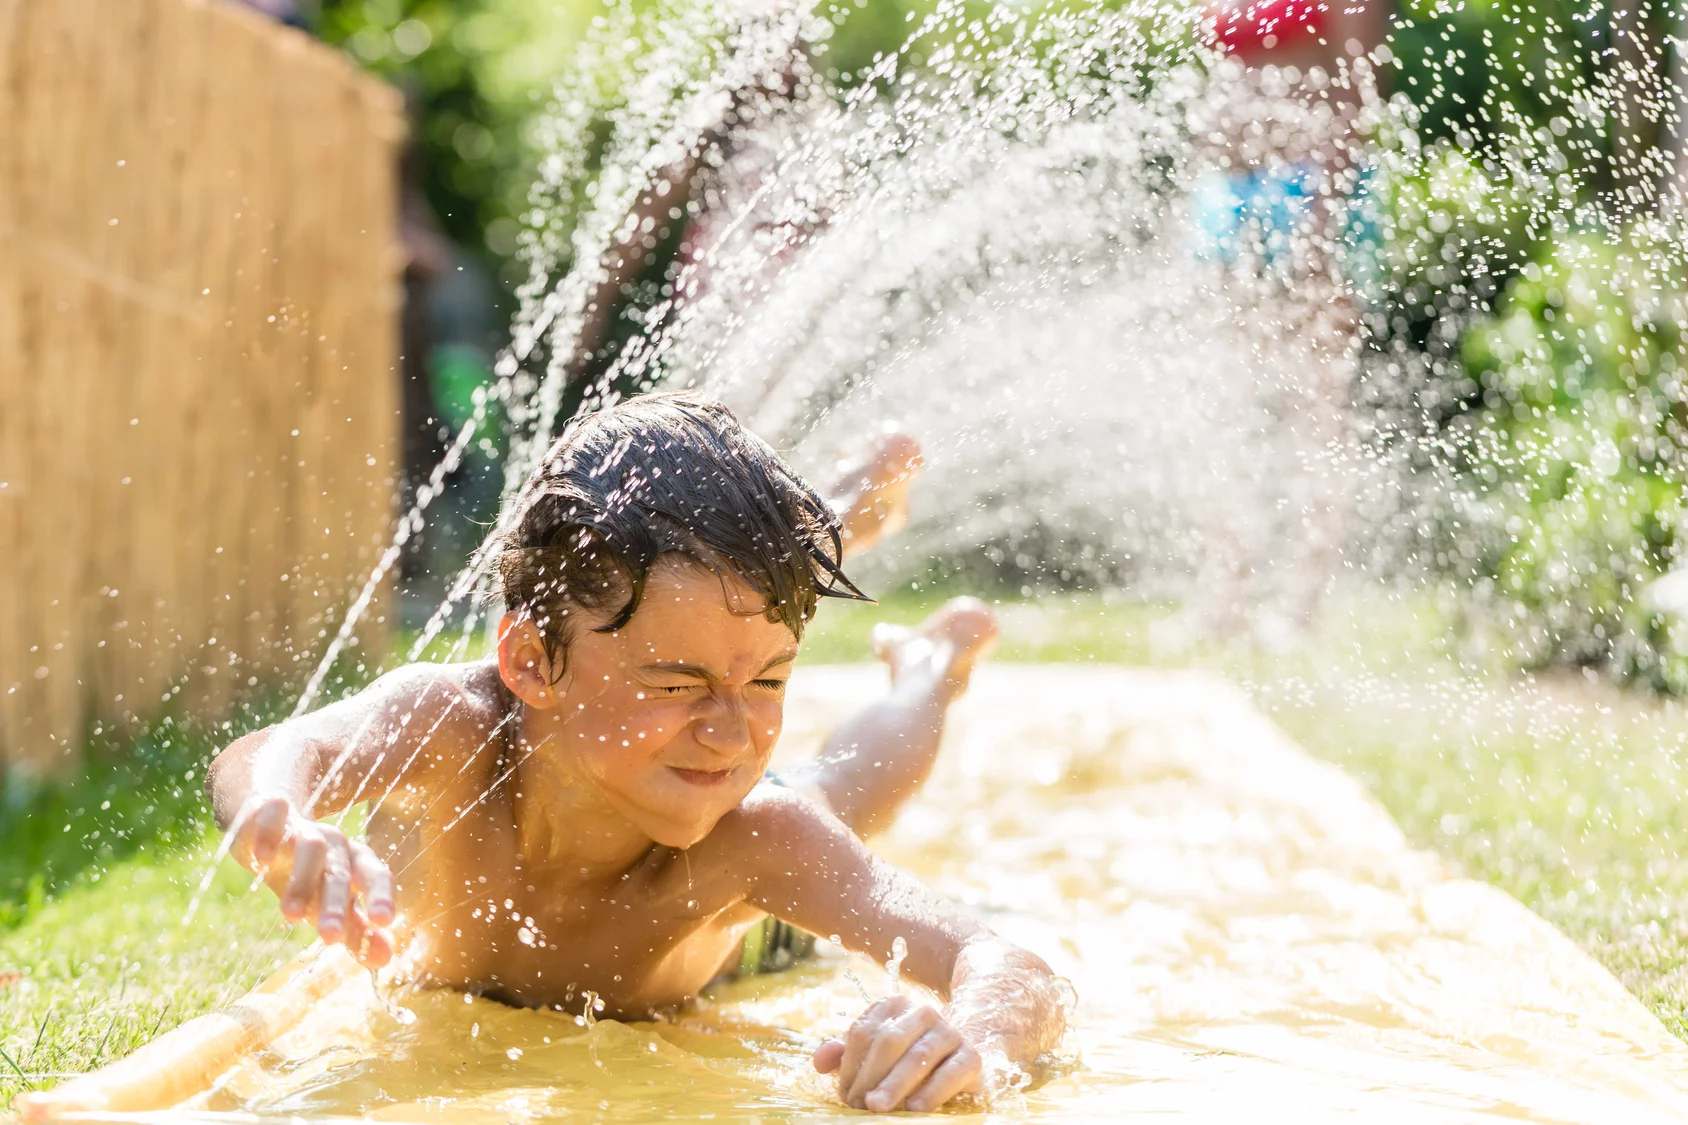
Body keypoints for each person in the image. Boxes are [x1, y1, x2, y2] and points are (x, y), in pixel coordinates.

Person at [205, 393, 1065, 1113]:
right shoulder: (454, 727)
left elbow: (1010, 963)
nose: (732, 735)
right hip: (641, 647)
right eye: (676, 684)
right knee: (708, 590)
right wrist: (278, 817)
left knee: (841, 787)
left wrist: (973, 1046)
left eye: (772, 681)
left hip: (731, 943)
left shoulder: (753, 834)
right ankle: (846, 504)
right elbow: (286, 748)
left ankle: (929, 666)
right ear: (533, 662)